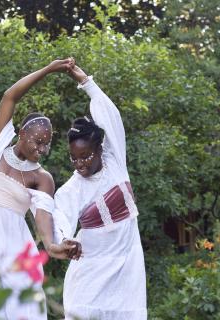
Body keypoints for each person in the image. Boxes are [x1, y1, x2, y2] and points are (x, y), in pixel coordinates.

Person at [0, 59, 79, 320]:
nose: (42, 149)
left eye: (47, 145)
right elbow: (10, 97)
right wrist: (49, 69)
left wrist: (52, 246)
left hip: (14, 253)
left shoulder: (42, 178)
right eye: (38, 142)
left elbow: (43, 218)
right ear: (21, 134)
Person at [53, 65, 147, 319]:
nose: (80, 163)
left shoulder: (115, 159)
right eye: (74, 158)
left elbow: (110, 115)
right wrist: (65, 239)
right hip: (91, 275)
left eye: (85, 156)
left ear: (99, 148)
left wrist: (86, 82)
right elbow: (60, 218)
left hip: (127, 268)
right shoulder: (71, 190)